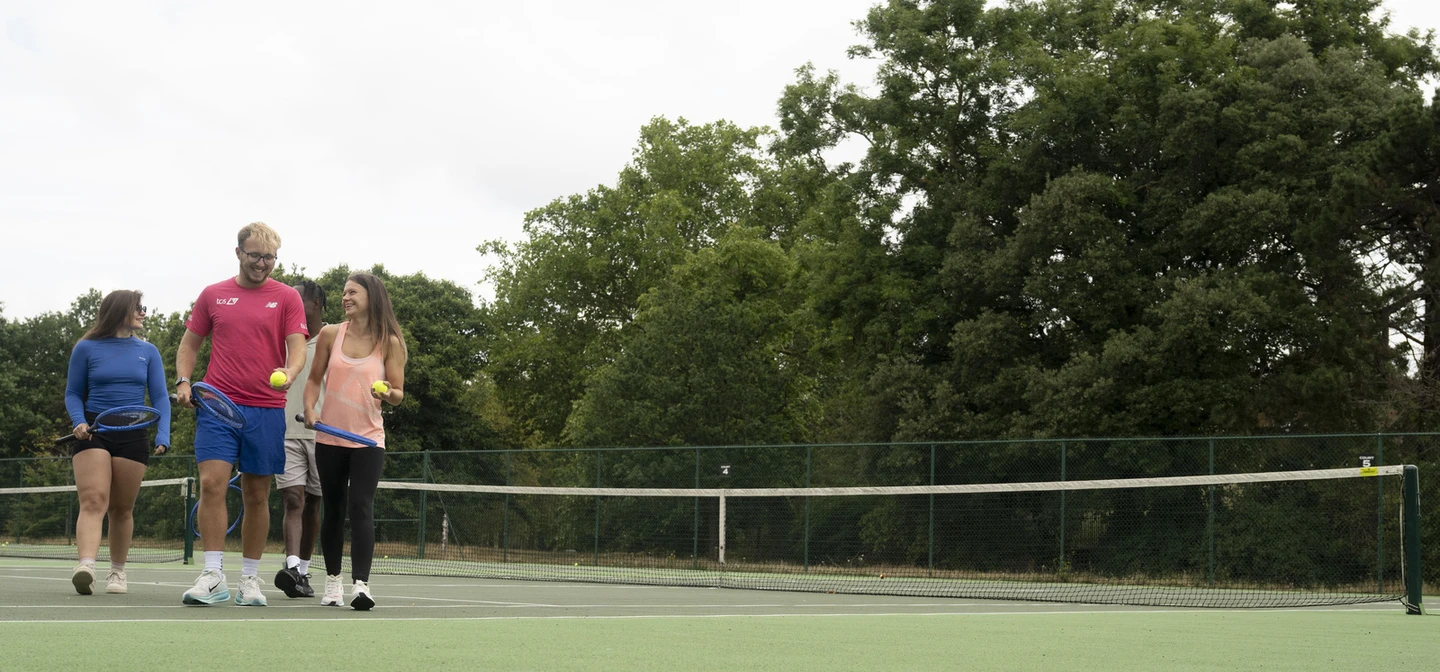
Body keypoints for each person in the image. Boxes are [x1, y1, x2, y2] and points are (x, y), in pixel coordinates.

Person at [176, 222, 308, 606]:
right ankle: (213, 575)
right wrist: (184, 381)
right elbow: (189, 345)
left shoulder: (286, 297)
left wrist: (291, 372)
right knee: (212, 484)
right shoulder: (213, 295)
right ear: (238, 253)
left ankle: (249, 580)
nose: (262, 264)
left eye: (269, 258)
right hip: (218, 404)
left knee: (256, 494)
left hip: (266, 408)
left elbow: (297, 349)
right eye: (255, 256)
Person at [303, 272, 407, 610]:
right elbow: (314, 379)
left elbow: (398, 394)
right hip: (329, 437)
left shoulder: (389, 342)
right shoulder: (330, 334)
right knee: (332, 510)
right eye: (344, 292)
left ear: (371, 297)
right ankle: (332, 582)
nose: (346, 297)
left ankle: (361, 585)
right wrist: (309, 408)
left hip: (368, 440)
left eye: (353, 292)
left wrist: (387, 392)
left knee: (361, 507)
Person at [63, 290, 171, 595]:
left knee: (122, 509)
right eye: (138, 308)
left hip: (134, 432)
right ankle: (86, 566)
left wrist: (163, 433)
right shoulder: (86, 348)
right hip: (95, 429)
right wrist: (78, 421)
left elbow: (161, 397)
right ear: (120, 311)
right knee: (94, 500)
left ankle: (117, 573)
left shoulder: (148, 351)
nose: (143, 312)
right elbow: (73, 393)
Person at [274, 281, 326, 598]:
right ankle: (292, 568)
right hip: (285, 434)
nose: (289, 304)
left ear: (316, 304)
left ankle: (304, 573)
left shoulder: (335, 340)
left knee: (313, 506)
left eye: (297, 299)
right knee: (293, 500)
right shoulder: (280, 340)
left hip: (324, 434)